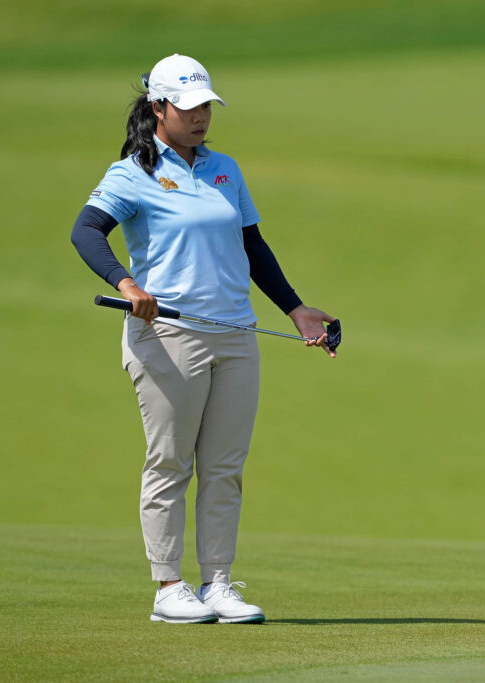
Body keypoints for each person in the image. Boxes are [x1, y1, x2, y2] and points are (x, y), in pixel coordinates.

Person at [71, 54, 337, 624]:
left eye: (206, 107)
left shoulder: (225, 170)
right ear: (158, 107)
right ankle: (169, 587)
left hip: (236, 336)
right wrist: (127, 284)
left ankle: (217, 583)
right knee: (170, 463)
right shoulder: (133, 173)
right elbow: (86, 230)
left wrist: (295, 310)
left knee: (224, 467)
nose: (200, 117)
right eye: (188, 108)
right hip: (168, 335)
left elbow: (252, 245)